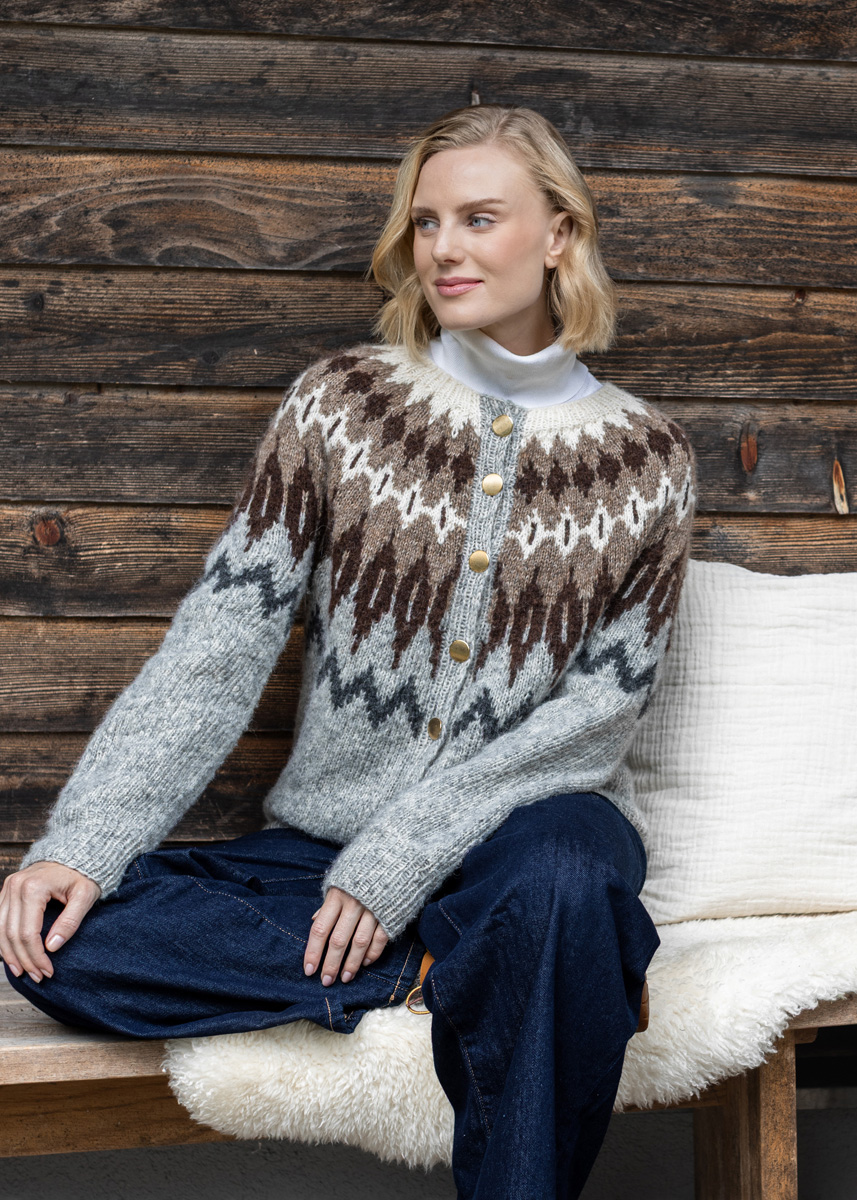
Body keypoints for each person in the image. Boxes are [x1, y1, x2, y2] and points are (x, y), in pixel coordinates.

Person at [0, 103, 696, 1198]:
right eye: (425, 222)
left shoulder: (647, 461)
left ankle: (522, 951)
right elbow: (220, 643)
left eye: (478, 218)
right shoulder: (341, 406)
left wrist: (404, 857)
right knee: (62, 945)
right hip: (326, 845)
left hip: (530, 828)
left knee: (564, 881)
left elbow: (597, 713)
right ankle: (458, 967)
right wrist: (83, 846)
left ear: (559, 233)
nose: (444, 249)